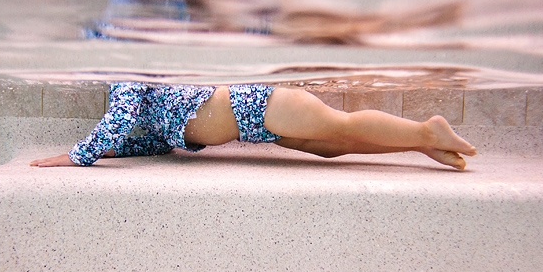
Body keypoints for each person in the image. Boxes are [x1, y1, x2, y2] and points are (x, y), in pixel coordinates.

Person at [30, 82, 477, 170]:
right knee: (334, 147)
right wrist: (112, 151)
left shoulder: (128, 78)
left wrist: (78, 155)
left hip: (258, 105)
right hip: (257, 124)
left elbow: (119, 119)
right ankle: (419, 145)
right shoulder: (139, 100)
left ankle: (426, 129)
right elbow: (153, 143)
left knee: (341, 126)